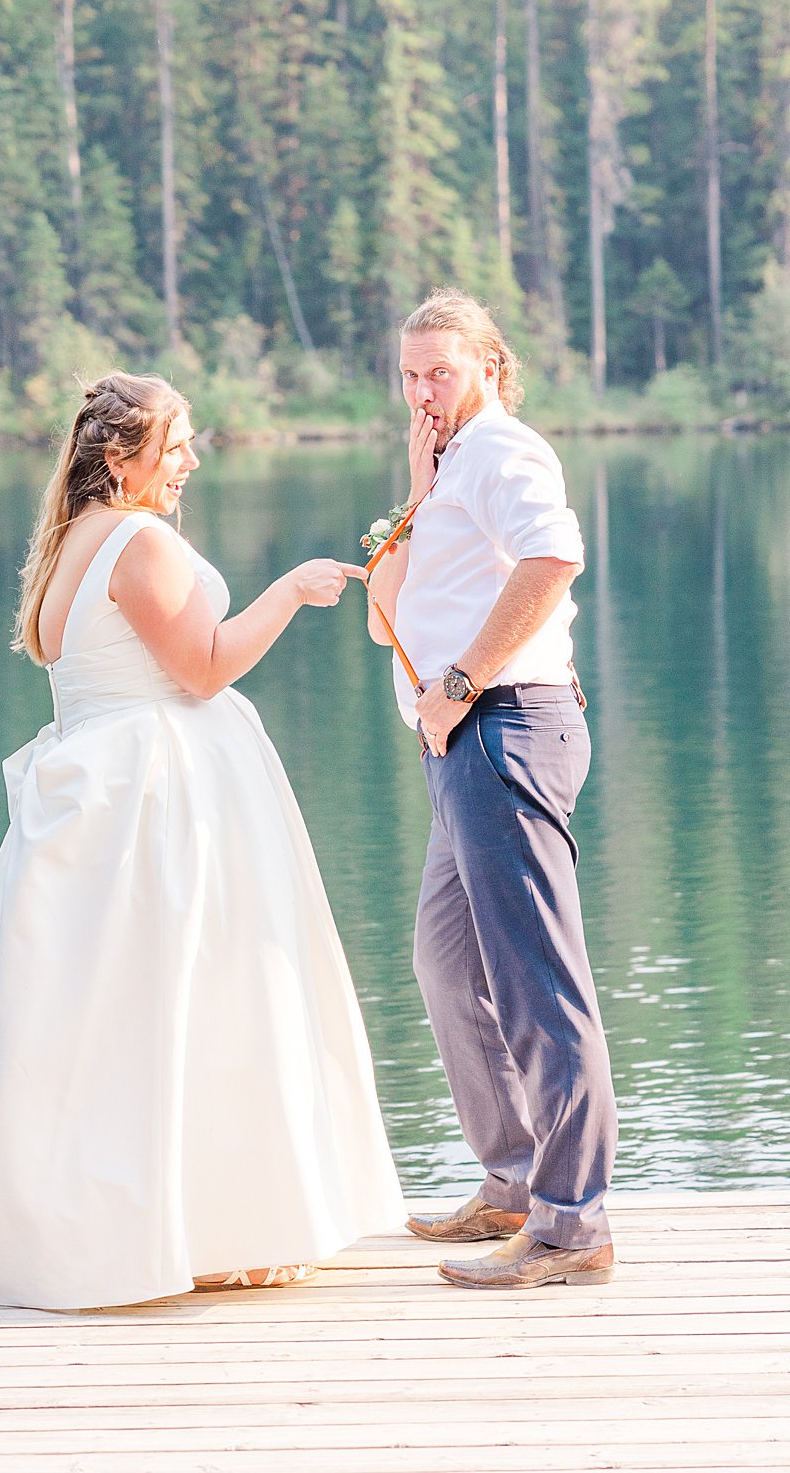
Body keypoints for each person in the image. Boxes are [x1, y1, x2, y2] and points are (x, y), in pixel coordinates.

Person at [0, 371, 407, 1309]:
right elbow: (202, 670)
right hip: (161, 793)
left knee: (112, 1011)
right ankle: (216, 1229)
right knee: (203, 992)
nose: (191, 460)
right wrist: (290, 592)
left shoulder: (73, 537)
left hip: (103, 784)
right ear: (120, 457)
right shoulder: (140, 542)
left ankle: (162, 1220)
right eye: (174, 445)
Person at [367, 288, 617, 1290]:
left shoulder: (504, 449)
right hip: (462, 744)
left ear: (488, 367)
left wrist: (463, 679)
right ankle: (514, 1182)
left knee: (535, 983)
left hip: (504, 728)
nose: (422, 390)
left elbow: (555, 557)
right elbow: (406, 596)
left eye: (441, 371)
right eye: (409, 373)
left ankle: (571, 1226)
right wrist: (417, 481)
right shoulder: (451, 463)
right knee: (445, 963)